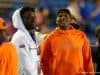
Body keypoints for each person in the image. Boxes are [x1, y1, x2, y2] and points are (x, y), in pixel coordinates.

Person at [40, 9, 94, 75]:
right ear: (56, 21)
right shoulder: (49, 38)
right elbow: (44, 62)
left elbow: (88, 60)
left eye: (66, 16)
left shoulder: (81, 36)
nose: (63, 18)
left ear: (70, 20)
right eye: (60, 16)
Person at [11, 7, 39, 75]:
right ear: (20, 21)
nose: (33, 19)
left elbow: (35, 60)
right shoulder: (20, 37)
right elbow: (25, 66)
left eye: (34, 16)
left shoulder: (29, 36)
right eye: (28, 17)